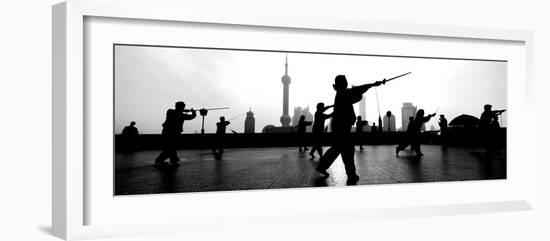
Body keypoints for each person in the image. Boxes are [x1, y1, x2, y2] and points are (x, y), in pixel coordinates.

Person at [316, 75, 387, 181]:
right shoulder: (344, 93)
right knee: (347, 150)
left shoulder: (340, 93)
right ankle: (351, 174)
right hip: (343, 127)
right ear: (344, 83)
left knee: (338, 149)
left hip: (339, 126)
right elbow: (358, 91)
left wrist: (373, 84)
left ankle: (324, 167)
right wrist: (373, 84)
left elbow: (357, 90)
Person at [155, 101, 197, 165]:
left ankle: (173, 158)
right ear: (180, 107)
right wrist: (193, 113)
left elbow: (182, 114)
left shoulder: (170, 111)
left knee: (172, 146)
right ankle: (160, 159)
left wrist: (185, 111)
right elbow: (191, 117)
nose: (184, 108)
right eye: (183, 107)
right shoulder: (176, 113)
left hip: (168, 131)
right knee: (170, 147)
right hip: (172, 132)